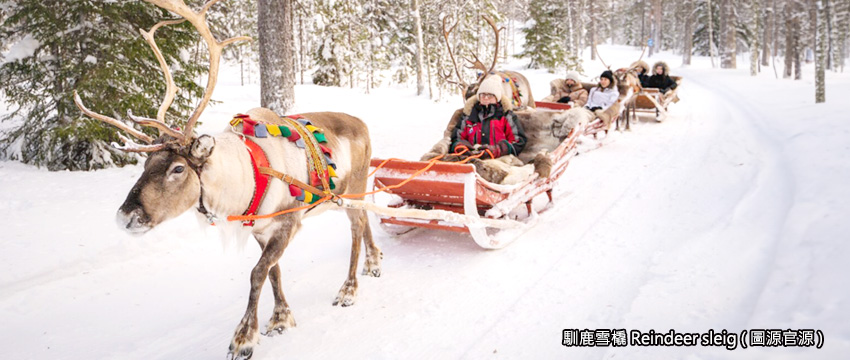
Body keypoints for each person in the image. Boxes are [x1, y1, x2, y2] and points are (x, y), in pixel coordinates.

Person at [450, 75, 527, 159]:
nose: (486, 98)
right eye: (483, 95)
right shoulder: (468, 116)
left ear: (497, 97)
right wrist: (462, 147)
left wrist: (497, 150)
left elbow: (518, 141)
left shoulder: (507, 116)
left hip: (500, 160)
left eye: (490, 95)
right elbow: (456, 138)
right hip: (471, 158)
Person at [552, 70, 620, 138]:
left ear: (610, 81)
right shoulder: (594, 90)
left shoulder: (613, 93)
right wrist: (587, 106)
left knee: (578, 115)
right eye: (601, 79)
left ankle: (564, 133)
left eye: (605, 79)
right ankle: (558, 124)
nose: (603, 81)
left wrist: (600, 108)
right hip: (588, 108)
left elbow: (610, 105)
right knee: (574, 112)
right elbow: (589, 101)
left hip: (598, 111)